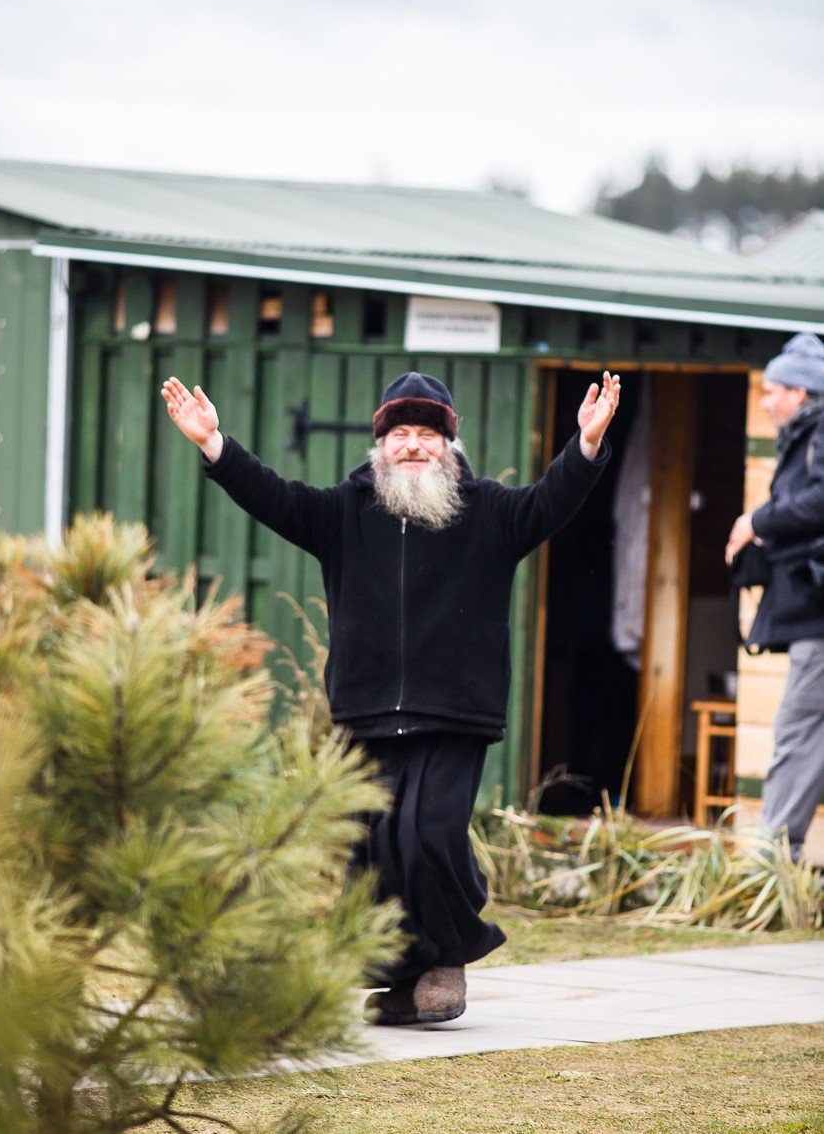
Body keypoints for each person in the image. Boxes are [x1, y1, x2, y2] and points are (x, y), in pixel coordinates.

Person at [162, 367, 620, 1024]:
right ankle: (405, 983)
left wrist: (585, 446)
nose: (413, 445)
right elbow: (272, 497)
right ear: (381, 445)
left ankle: (446, 961)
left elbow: (551, 501)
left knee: (429, 832)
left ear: (448, 444)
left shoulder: (489, 511)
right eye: (400, 433)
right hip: (368, 712)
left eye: (426, 434)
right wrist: (215, 445)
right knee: (371, 844)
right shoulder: (340, 514)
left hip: (454, 713)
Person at [725, 332, 824, 862]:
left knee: (795, 731)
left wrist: (756, 520)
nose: (764, 401)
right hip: (809, 615)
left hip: (818, 619)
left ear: (801, 394)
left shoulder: (820, 430)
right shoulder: (806, 434)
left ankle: (771, 860)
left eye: (773, 389)